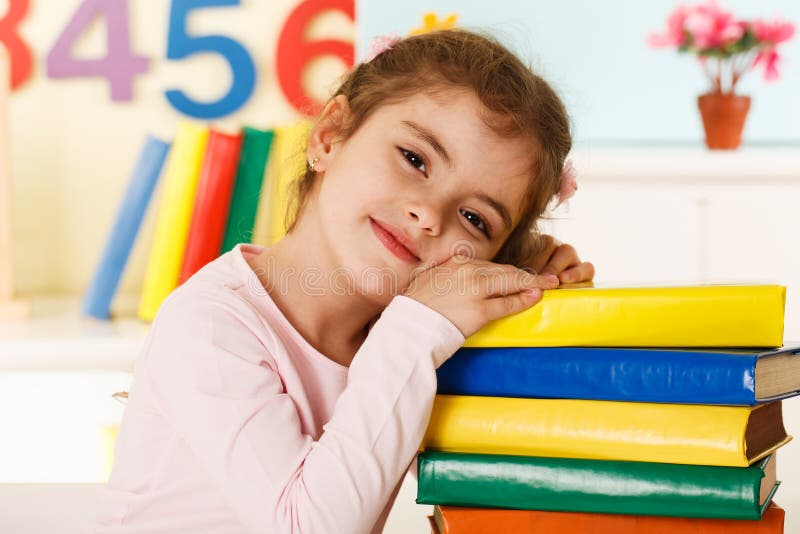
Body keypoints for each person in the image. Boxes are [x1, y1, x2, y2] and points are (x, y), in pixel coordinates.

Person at [93, 29, 594, 534]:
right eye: (415, 159)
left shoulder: (411, 337)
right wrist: (419, 328)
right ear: (330, 135)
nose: (428, 215)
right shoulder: (209, 325)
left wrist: (530, 297)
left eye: (474, 218)